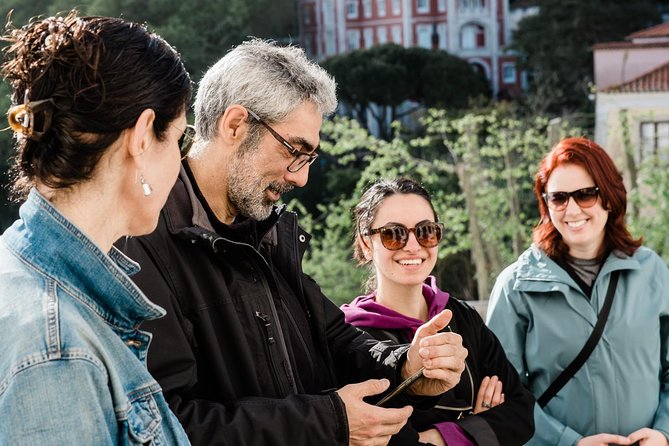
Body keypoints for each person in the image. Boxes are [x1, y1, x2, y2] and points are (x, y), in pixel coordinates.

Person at [117, 39, 469, 446]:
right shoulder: (142, 240)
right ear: (235, 125)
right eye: (294, 150)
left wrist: (407, 365)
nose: (300, 177)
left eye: (310, 158)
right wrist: (326, 423)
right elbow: (163, 425)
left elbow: (335, 339)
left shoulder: (267, 230)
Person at [0, 11, 193, 444]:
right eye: (178, 139)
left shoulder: (26, 278)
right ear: (143, 137)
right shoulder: (56, 351)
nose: (179, 163)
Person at [486, 137, 669, 445]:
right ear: (546, 204)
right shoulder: (515, 287)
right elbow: (501, 394)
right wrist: (566, 442)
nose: (571, 209)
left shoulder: (650, 271)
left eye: (585, 195)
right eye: (558, 198)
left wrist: (664, 432)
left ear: (608, 198)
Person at [341, 177, 535, 445]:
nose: (413, 245)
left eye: (425, 231)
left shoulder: (462, 317)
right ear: (365, 243)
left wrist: (438, 437)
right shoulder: (349, 337)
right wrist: (476, 430)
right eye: (393, 234)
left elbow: (521, 412)